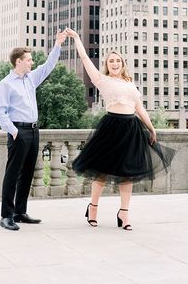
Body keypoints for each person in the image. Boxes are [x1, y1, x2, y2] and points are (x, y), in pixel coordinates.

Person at [66, 28, 175, 230]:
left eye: (118, 61)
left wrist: (151, 128)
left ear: (123, 64)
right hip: (111, 128)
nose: (115, 64)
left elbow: (139, 107)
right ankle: (93, 208)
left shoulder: (130, 83)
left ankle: (124, 214)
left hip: (131, 128)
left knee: (128, 173)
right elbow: (84, 57)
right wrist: (77, 38)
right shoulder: (101, 80)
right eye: (111, 61)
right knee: (101, 171)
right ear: (107, 65)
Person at [0, 30, 68, 230]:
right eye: (29, 60)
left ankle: (20, 212)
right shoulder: (6, 84)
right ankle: (6, 216)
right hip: (19, 131)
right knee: (12, 174)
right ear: (18, 61)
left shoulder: (31, 79)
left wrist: (58, 43)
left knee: (27, 173)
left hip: (34, 132)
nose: (32, 63)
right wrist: (14, 131)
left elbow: (49, 65)